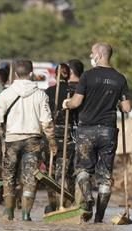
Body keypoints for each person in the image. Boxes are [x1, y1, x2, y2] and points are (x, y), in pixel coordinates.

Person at [62, 43, 132, 223]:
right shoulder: (120, 78)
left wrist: (66, 103)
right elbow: (127, 107)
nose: (90, 56)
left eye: (92, 53)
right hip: (108, 131)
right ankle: (99, 219)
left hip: (87, 130)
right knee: (105, 177)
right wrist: (116, 102)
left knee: (83, 169)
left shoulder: (87, 76)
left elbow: (76, 103)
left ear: (100, 55)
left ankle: (87, 197)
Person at [0, 59, 56, 221]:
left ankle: (8, 213)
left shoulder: (5, 94)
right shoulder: (40, 95)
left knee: (8, 176)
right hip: (33, 141)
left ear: (15, 74)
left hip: (12, 141)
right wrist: (52, 142)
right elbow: (47, 122)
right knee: (30, 178)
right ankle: (26, 215)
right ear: (31, 73)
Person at [42, 62, 78, 212]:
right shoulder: (75, 92)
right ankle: (65, 203)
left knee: (53, 170)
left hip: (51, 135)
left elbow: (44, 116)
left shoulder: (47, 92)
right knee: (65, 172)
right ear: (68, 75)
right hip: (68, 135)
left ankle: (55, 204)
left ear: (55, 75)